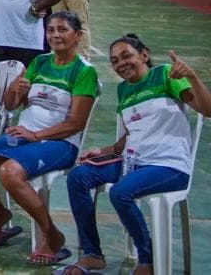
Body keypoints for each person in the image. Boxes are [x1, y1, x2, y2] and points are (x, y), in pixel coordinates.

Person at [63, 36, 211, 275]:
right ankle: (92, 254)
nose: (121, 63)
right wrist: (104, 151)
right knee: (78, 176)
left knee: (122, 191)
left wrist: (191, 76)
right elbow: (131, 135)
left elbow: (208, 109)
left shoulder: (164, 74)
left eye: (127, 55)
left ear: (144, 55)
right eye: (114, 60)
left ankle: (148, 259)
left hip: (168, 165)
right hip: (134, 162)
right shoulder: (123, 89)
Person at [0, 12, 98, 266]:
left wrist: (35, 135)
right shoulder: (39, 62)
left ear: (77, 36)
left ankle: (52, 235)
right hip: (24, 134)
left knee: (10, 172)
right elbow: (9, 105)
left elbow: (75, 123)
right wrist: (15, 91)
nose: (55, 35)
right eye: (50, 30)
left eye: (62, 30)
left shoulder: (84, 72)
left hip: (60, 142)